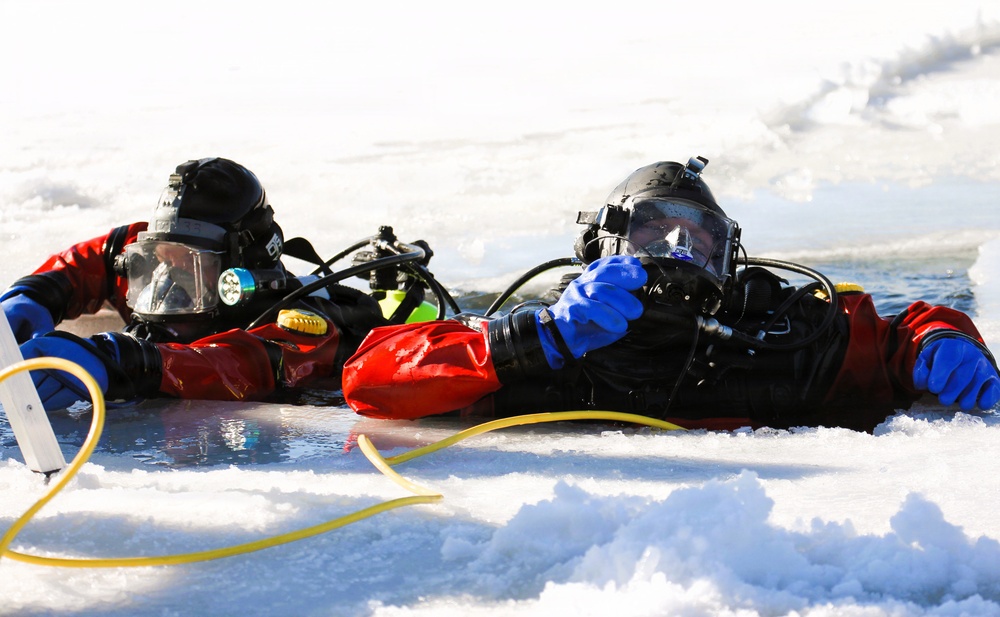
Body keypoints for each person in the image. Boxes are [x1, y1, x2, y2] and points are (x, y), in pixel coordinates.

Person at [342, 156, 1000, 433]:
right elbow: (369, 376)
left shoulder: (770, 329)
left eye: (701, 236)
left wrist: (940, 336)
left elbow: (895, 332)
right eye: (655, 229)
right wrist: (533, 342)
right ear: (604, 245)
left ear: (728, 253)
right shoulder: (546, 328)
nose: (680, 250)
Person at [0, 157, 410, 410]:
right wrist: (34, 296)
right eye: (160, 257)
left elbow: (236, 367)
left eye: (189, 265)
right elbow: (101, 258)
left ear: (239, 267)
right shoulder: (162, 265)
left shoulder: (298, 322)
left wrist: (123, 361)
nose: (167, 280)